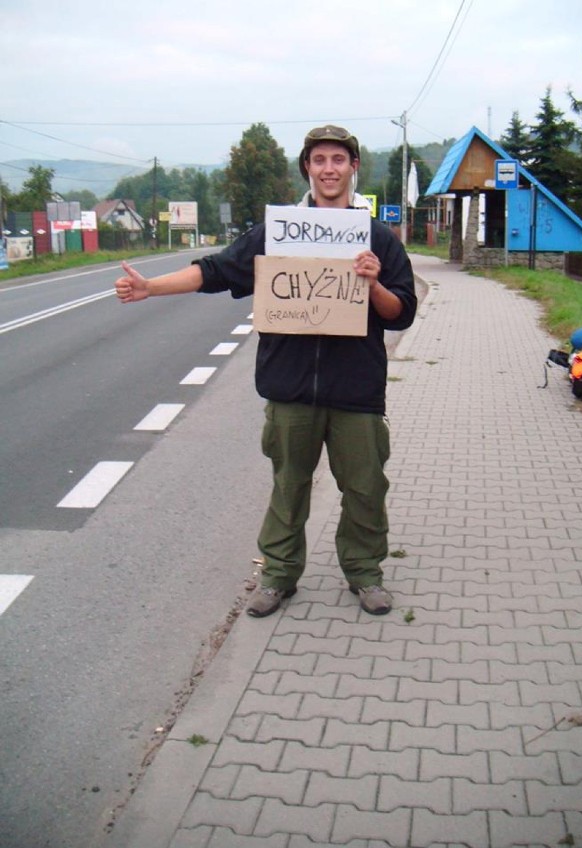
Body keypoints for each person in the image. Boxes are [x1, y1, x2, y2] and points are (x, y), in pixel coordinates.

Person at [115, 125, 416, 618]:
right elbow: (216, 270)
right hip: (290, 388)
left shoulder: (377, 240)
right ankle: (278, 575)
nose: (329, 168)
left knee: (365, 488)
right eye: (319, 159)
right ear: (307, 168)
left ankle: (364, 572)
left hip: (356, 391)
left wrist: (374, 282)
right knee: (288, 486)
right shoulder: (279, 234)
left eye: (338, 159)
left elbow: (400, 312)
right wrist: (152, 287)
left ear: (353, 167)